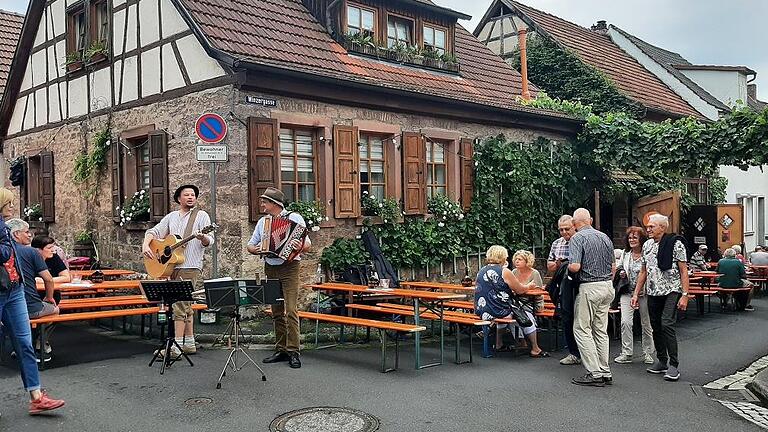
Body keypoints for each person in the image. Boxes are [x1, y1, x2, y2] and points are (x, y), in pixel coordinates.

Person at [0, 188, 65, 414]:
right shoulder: (4, 230)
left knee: (25, 343)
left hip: (14, 290)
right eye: (7, 202)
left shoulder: (6, 228)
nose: (11, 206)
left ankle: (37, 397)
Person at [142, 185, 214, 356]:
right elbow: (154, 231)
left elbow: (209, 241)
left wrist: (202, 236)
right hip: (171, 266)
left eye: (193, 195)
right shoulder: (171, 217)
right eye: (186, 194)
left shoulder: (201, 216)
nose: (191, 197)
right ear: (178, 198)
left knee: (179, 306)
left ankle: (175, 348)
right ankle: (189, 344)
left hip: (190, 265)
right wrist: (146, 243)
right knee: (186, 305)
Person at [247, 187, 311, 368]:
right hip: (271, 267)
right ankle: (281, 349)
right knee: (276, 311)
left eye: (264, 202)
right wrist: (256, 249)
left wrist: (299, 245)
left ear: (274, 204)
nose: (262, 205)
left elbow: (307, 244)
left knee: (291, 310)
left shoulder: (294, 218)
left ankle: (293, 351)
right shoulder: (263, 222)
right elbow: (250, 246)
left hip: (290, 267)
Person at [632, 213, 689, 382]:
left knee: (666, 324)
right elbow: (643, 271)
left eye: (651, 226)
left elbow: (683, 270)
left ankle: (674, 365)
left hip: (672, 289)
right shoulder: (647, 245)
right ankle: (662, 360)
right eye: (647, 226)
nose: (648, 229)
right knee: (655, 325)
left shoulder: (676, 244)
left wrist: (685, 295)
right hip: (653, 291)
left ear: (662, 227)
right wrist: (636, 293)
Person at [568, 208, 616, 387]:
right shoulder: (605, 237)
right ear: (591, 220)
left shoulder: (577, 238)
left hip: (589, 287)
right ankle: (605, 371)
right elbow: (613, 267)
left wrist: (565, 269)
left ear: (574, 223)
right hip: (607, 286)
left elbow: (575, 266)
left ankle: (594, 372)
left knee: (581, 329)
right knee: (600, 330)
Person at [475, 245, 548, 357]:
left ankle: (500, 343)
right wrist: (528, 286)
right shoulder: (505, 271)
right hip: (498, 311)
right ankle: (535, 348)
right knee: (525, 315)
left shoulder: (482, 270)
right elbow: (519, 290)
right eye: (506, 256)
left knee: (512, 312)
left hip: (482, 310)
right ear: (502, 257)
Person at [7, 219, 59, 361]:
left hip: (7, 305)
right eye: (26, 232)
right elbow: (48, 279)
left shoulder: (5, 252)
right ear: (16, 234)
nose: (30, 235)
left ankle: (19, 347)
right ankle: (40, 345)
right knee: (55, 310)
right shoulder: (31, 252)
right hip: (30, 305)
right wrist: (49, 297)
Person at [614, 226, 655, 365]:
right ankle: (626, 352)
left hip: (645, 293)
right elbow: (619, 267)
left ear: (641, 239)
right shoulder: (625, 254)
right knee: (625, 321)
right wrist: (621, 272)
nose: (631, 240)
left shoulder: (647, 254)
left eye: (635, 237)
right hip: (627, 291)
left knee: (646, 323)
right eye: (630, 238)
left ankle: (648, 353)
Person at [546, 215, 580, 366]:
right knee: (567, 318)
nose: (564, 232)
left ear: (574, 226)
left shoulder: (580, 240)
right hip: (563, 286)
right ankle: (573, 353)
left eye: (567, 229)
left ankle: (584, 353)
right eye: (561, 230)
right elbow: (549, 266)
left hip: (579, 284)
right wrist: (558, 264)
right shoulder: (556, 244)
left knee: (581, 320)